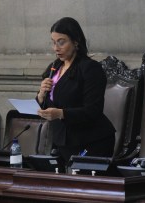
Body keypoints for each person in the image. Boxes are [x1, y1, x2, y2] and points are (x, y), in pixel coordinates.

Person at [36, 17, 116, 164]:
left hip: (91, 140)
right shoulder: (54, 67)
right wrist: (41, 95)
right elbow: (46, 103)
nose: (56, 48)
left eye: (61, 42)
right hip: (62, 141)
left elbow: (93, 110)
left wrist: (61, 113)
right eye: (53, 43)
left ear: (75, 41)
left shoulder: (90, 68)